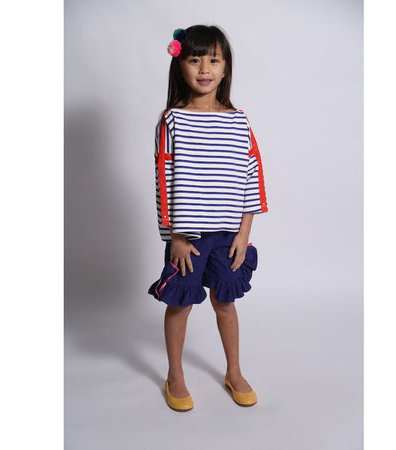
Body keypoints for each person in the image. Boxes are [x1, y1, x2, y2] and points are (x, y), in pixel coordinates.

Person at [148, 25, 268, 411]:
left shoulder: (239, 121)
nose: (204, 68)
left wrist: (243, 234)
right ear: (179, 65)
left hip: (229, 236)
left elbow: (251, 177)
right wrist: (176, 236)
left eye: (213, 60)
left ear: (225, 67)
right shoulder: (172, 121)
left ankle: (234, 371)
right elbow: (164, 181)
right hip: (189, 238)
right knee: (180, 304)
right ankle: (175, 375)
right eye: (194, 59)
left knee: (225, 303)